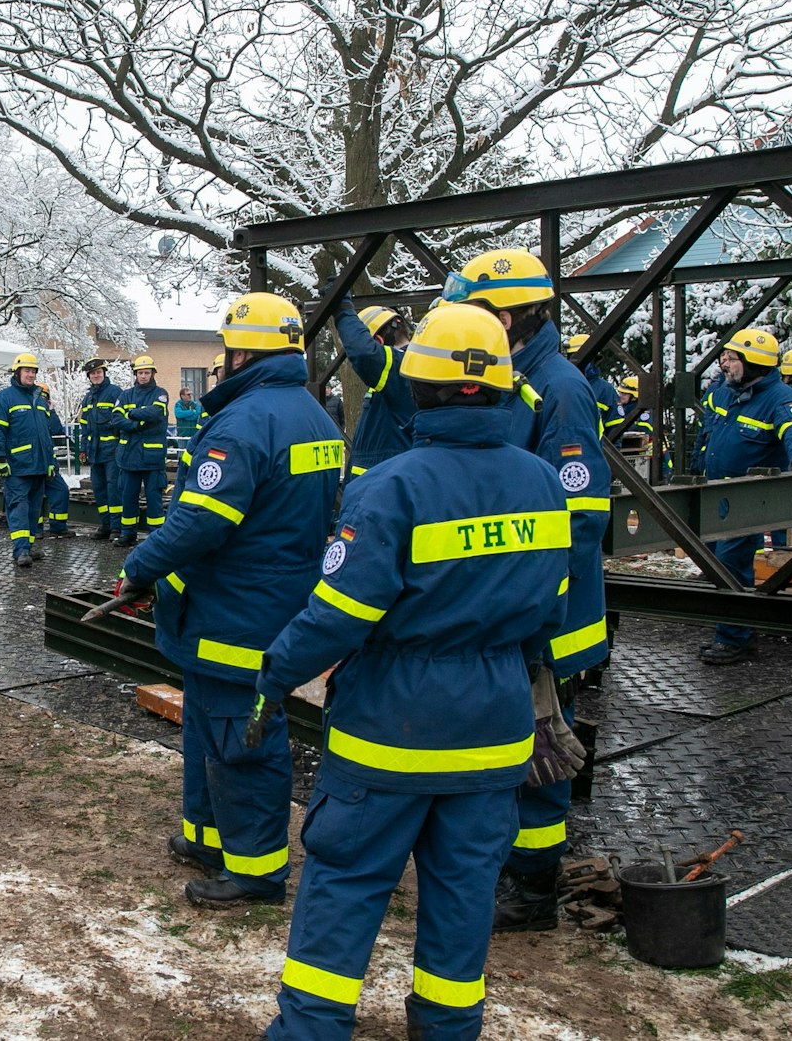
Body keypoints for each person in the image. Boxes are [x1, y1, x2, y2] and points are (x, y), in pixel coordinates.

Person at [250, 304, 575, 1041]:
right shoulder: (542, 484)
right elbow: (550, 608)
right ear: (498, 388)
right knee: (463, 899)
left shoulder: (392, 487)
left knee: (346, 887)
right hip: (493, 734)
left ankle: (310, 1032)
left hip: (389, 734)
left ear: (418, 388)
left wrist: (272, 676)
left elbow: (336, 616)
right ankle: (448, 1030)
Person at [115, 293, 342, 909]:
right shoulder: (316, 418)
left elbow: (201, 523)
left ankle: (257, 871)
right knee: (209, 728)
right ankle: (207, 837)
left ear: (244, 351)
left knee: (240, 737)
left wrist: (140, 565)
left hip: (234, 612)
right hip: (275, 603)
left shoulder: (243, 423)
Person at [448, 249, 611, 934]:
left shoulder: (560, 390)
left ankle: (532, 893)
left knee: (540, 754)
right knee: (514, 745)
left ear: (506, 316)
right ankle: (513, 874)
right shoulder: (517, 377)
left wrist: (529, 611)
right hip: (514, 608)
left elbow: (577, 522)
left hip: (547, 619)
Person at [695, 329, 792, 663]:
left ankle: (733, 639)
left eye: (733, 359)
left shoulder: (780, 398)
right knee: (712, 561)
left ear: (754, 365)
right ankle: (740, 630)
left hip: (745, 500)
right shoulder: (724, 392)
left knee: (729, 566)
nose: (726, 364)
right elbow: (709, 423)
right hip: (713, 493)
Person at [332, 304, 417, 478]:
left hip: (382, 487)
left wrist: (344, 310)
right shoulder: (397, 374)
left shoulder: (403, 367)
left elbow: (364, 353)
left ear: (378, 342)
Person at [0, 353, 56, 566]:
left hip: (39, 465)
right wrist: (0, 458)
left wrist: (51, 461)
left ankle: (30, 545)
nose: (31, 374)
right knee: (19, 507)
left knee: (35, 509)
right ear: (17, 372)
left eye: (33, 371)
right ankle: (21, 549)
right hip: (17, 465)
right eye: (27, 370)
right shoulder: (5, 397)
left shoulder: (40, 399)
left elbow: (46, 434)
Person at [113, 355, 170, 547]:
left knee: (154, 497)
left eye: (146, 372)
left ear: (152, 373)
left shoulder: (160, 393)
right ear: (135, 374)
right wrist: (138, 424)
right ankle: (127, 533)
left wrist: (130, 414)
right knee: (128, 497)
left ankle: (156, 536)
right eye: (140, 373)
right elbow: (116, 419)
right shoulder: (125, 394)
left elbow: (155, 413)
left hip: (152, 459)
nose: (143, 376)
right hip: (129, 457)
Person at [77, 358, 125, 538]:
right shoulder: (87, 397)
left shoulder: (115, 393)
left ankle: (116, 527)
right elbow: (84, 426)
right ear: (89, 376)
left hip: (112, 450)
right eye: (92, 373)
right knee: (99, 488)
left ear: (104, 373)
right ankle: (105, 524)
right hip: (94, 451)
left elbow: (122, 423)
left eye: (99, 372)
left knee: (114, 489)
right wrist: (83, 449)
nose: (96, 375)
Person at [565, 332, 628, 443]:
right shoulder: (562, 385)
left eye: (589, 359)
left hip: (595, 454)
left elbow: (615, 429)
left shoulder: (605, 391)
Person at [38, 386, 73, 537]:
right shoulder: (30, 413)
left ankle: (58, 527)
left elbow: (56, 429)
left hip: (49, 461)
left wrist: (51, 411)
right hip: (33, 462)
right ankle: (35, 529)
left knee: (61, 490)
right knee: (35, 494)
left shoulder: (47, 413)